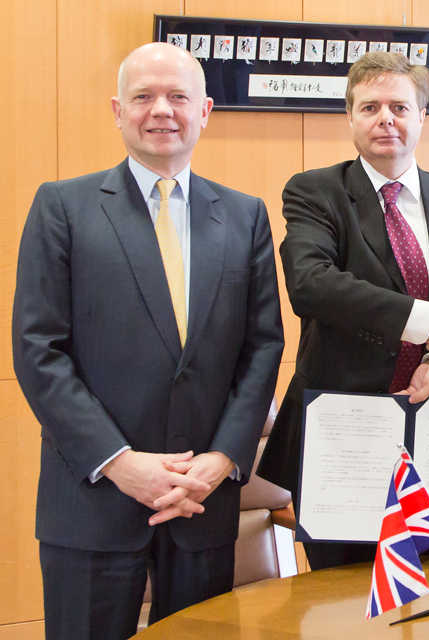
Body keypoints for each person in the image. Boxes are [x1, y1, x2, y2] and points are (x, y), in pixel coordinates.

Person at [12, 42, 284, 639]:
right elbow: (39, 350)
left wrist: (221, 461)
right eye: (143, 96)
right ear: (117, 110)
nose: (161, 110)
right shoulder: (63, 207)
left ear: (205, 110)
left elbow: (263, 347)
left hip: (202, 503)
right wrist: (119, 463)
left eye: (178, 96)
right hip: (91, 504)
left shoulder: (244, 216)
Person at [257, 51, 429, 569]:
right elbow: (311, 285)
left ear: (422, 116)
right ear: (349, 117)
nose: (386, 119)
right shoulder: (315, 192)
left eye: (400, 107)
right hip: (343, 436)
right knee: (339, 607)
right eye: (370, 107)